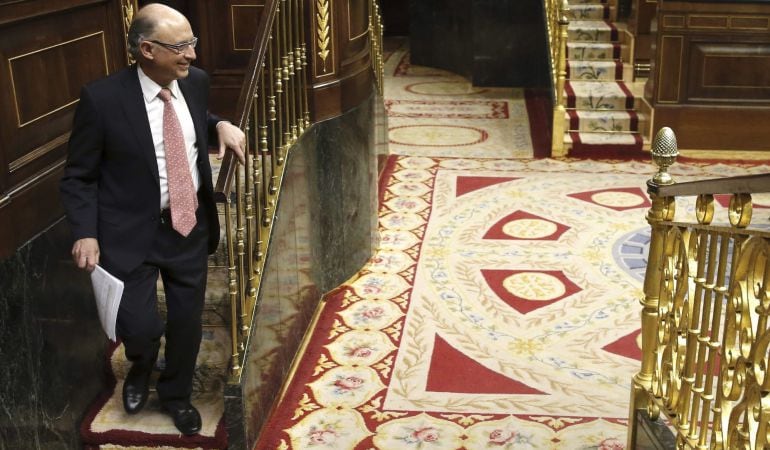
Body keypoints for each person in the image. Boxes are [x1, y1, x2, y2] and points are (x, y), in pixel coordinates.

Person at [59, 3, 245, 436]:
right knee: (140, 327)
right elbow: (78, 176)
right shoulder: (102, 100)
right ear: (146, 49)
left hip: (188, 225)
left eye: (192, 43)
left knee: (187, 324)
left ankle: (177, 395)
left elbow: (192, 118)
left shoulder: (193, 82)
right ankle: (141, 364)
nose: (192, 55)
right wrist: (85, 232)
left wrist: (220, 124)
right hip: (128, 233)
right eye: (180, 47)